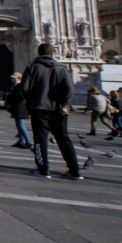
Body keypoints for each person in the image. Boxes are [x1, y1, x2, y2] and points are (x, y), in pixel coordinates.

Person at [20, 44, 82, 180]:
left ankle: (43, 169)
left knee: (40, 139)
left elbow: (24, 88)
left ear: (38, 53)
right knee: (64, 138)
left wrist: (31, 100)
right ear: (53, 54)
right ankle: (75, 170)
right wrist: (65, 105)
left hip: (39, 108)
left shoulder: (32, 67)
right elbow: (69, 89)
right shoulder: (61, 68)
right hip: (59, 110)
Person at [5, 72, 32, 149]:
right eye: (12, 78)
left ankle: (28, 141)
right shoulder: (16, 86)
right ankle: (21, 140)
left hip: (20, 107)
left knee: (21, 125)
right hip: (18, 107)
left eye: (14, 78)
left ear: (19, 78)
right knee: (19, 125)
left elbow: (22, 96)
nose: (12, 80)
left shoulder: (21, 86)